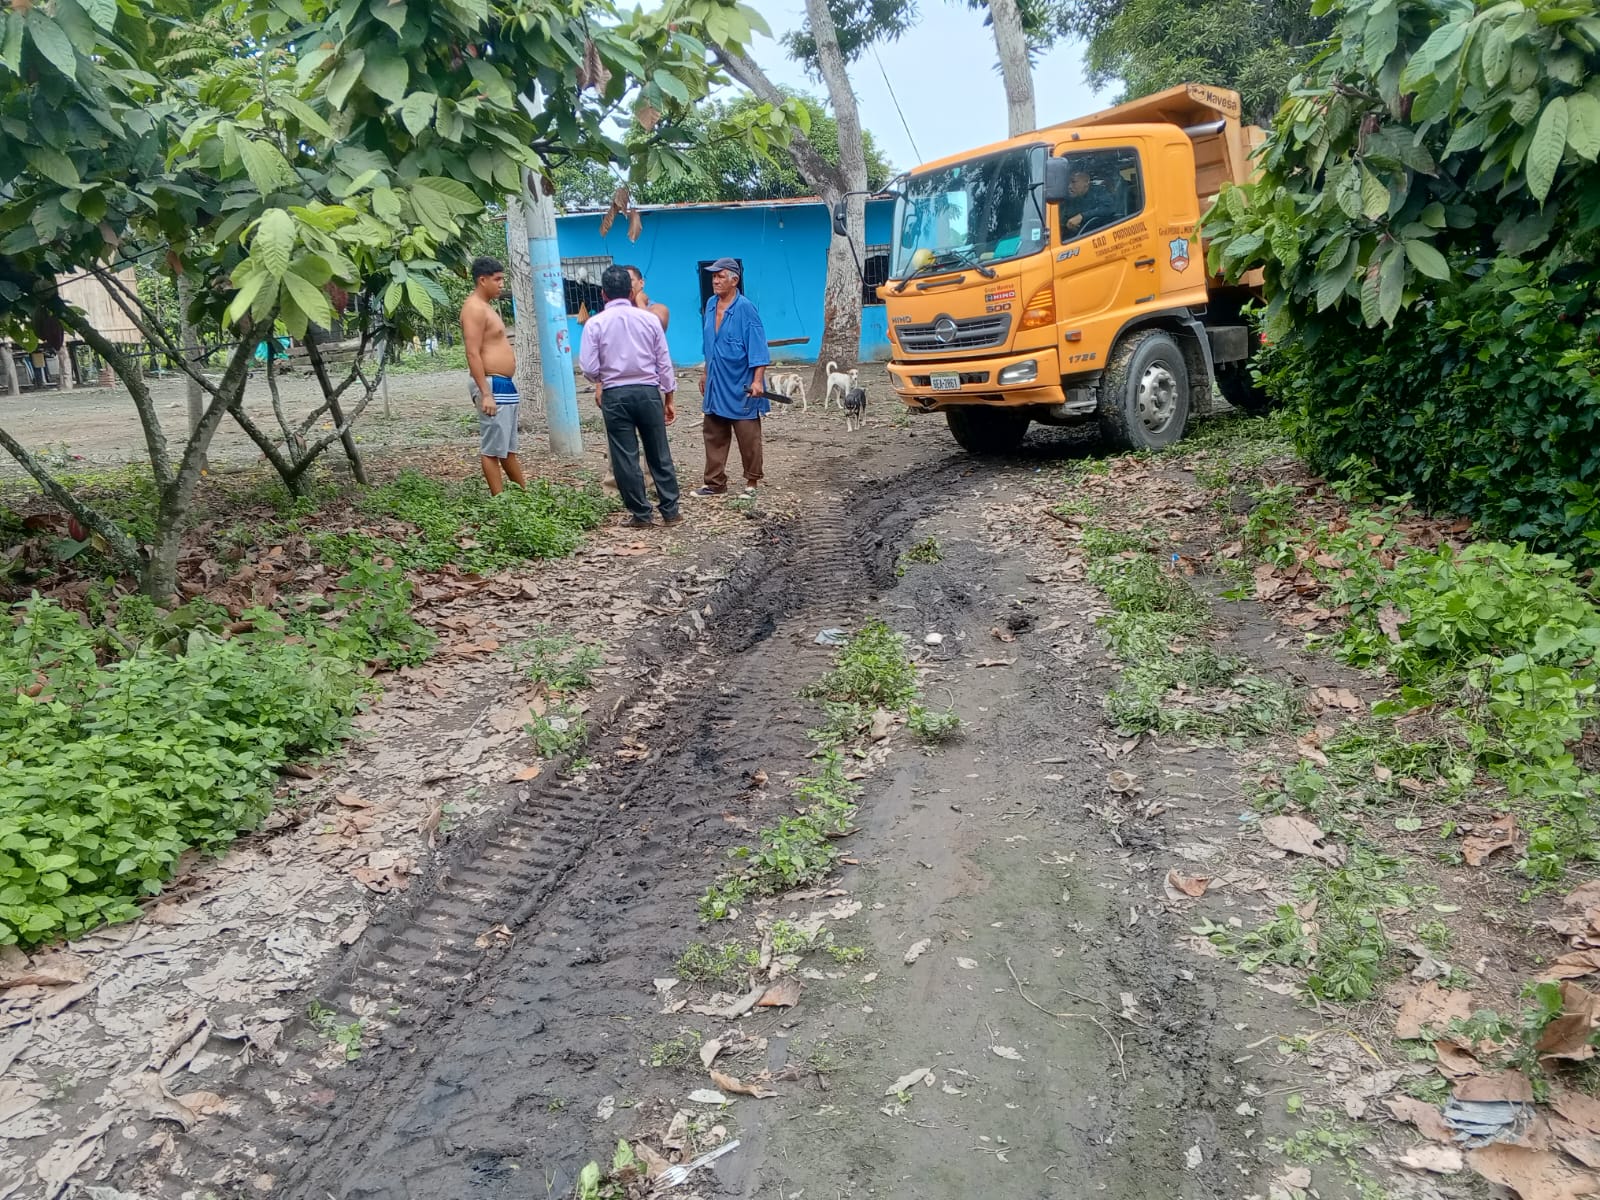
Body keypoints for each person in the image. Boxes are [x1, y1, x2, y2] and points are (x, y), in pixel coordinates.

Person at [579, 265, 682, 528]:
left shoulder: (595, 324)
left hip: (615, 394)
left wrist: (602, 378)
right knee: (658, 451)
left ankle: (641, 514)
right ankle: (671, 511)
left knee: (625, 456)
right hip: (648, 392)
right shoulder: (649, 320)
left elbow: (588, 367)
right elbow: (664, 362)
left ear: (603, 294)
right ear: (630, 291)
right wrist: (669, 397)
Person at [696, 258, 769, 498]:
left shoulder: (745, 308)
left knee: (747, 434)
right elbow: (709, 343)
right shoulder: (710, 304)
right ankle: (715, 482)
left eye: (720, 276)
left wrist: (757, 380)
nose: (715, 281)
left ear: (734, 280)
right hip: (716, 380)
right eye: (713, 276)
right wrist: (706, 372)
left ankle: (752, 481)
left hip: (741, 381)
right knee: (713, 431)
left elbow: (758, 348)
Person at [460, 256, 526, 496]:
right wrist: (485, 393)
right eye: (497, 279)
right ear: (482, 280)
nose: (501, 284)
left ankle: (524, 498)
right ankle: (499, 501)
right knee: (492, 450)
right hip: (491, 384)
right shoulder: (474, 309)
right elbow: (472, 352)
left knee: (507, 448)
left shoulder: (486, 307)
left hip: (503, 383)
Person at [1062, 168, 1115, 238]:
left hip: (1099, 234)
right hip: (1075, 237)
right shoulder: (1068, 200)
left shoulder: (1099, 192)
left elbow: (1109, 208)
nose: (1069, 186)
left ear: (1086, 182)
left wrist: (1082, 216)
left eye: (1073, 182)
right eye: (1068, 183)